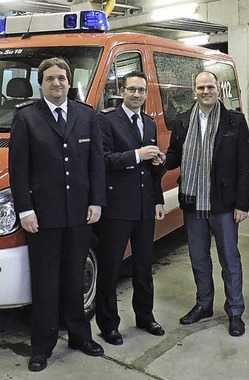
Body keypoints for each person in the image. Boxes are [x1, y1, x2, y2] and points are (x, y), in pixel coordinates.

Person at [8, 57, 106, 372]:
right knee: (45, 283)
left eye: (61, 78)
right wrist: (25, 209)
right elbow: (18, 170)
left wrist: (97, 201)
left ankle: (79, 336)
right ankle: (42, 346)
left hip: (79, 215)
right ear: (41, 84)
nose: (57, 83)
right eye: (50, 78)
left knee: (75, 278)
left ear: (68, 81)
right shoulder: (26, 119)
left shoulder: (85, 115)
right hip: (43, 218)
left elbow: (96, 163)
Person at [165, 71, 249, 337]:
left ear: (218, 89)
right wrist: (157, 159)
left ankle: (235, 311)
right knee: (198, 258)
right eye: (201, 87)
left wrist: (242, 203)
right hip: (193, 203)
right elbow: (173, 156)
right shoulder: (182, 122)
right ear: (194, 90)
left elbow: (244, 166)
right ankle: (203, 304)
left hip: (224, 204)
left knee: (230, 259)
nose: (206, 91)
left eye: (210, 87)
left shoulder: (234, 121)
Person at [95, 71, 166, 346]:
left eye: (141, 91)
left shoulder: (148, 123)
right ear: (122, 91)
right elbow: (102, 160)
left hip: (145, 207)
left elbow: (150, 169)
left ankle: (145, 317)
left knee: (144, 266)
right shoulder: (107, 120)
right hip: (117, 207)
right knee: (111, 267)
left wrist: (157, 197)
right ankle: (108, 324)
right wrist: (137, 155)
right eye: (132, 90)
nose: (137, 95)